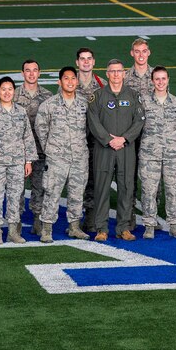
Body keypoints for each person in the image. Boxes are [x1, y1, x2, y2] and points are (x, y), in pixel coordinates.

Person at [87, 59, 144, 241]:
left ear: (124, 73)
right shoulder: (97, 96)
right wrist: (108, 140)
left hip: (126, 148)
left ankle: (123, 228)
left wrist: (124, 139)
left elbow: (140, 120)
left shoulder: (133, 96)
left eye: (119, 71)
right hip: (104, 149)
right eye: (113, 71)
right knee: (102, 188)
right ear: (107, 74)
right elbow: (93, 121)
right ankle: (101, 228)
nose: (116, 74)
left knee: (127, 188)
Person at [0, 77, 38, 245]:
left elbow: (27, 137)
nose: (6, 92)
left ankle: (12, 232)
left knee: (15, 197)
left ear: (14, 91)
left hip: (17, 163)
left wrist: (28, 161)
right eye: (3, 89)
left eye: (10, 89)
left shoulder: (20, 112)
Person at [35, 66, 90, 243]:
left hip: (79, 158)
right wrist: (50, 149)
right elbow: (41, 128)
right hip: (56, 159)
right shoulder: (49, 105)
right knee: (52, 193)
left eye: (73, 78)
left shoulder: (84, 104)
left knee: (76, 193)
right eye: (66, 78)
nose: (70, 82)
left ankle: (74, 227)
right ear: (59, 82)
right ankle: (47, 229)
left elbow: (88, 129)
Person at [138, 66, 176, 239]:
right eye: (157, 79)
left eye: (163, 78)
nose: (160, 82)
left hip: (171, 154)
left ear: (168, 80)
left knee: (173, 189)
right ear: (152, 81)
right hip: (149, 154)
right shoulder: (143, 101)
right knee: (149, 190)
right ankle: (149, 225)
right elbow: (138, 125)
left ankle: (174, 224)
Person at [13, 59, 53, 236]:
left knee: (40, 186)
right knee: (17, 188)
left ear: (39, 73)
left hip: (40, 150)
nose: (31, 73)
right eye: (27, 70)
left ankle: (38, 219)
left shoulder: (48, 96)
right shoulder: (12, 95)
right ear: (22, 73)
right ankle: (17, 221)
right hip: (17, 152)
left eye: (34, 70)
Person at [123, 37, 154, 230]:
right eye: (137, 51)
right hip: (131, 133)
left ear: (148, 52)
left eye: (144, 51)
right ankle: (130, 216)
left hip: (152, 134)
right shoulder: (125, 77)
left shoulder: (157, 75)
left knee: (152, 177)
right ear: (132, 53)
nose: (141, 55)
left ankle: (152, 216)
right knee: (129, 176)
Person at [75, 47, 106, 233]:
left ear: (93, 62)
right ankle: (75, 219)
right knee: (78, 180)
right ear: (77, 62)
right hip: (76, 140)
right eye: (82, 59)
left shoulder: (102, 85)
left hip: (96, 141)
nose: (86, 62)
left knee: (95, 179)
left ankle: (92, 218)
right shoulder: (69, 82)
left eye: (89, 59)